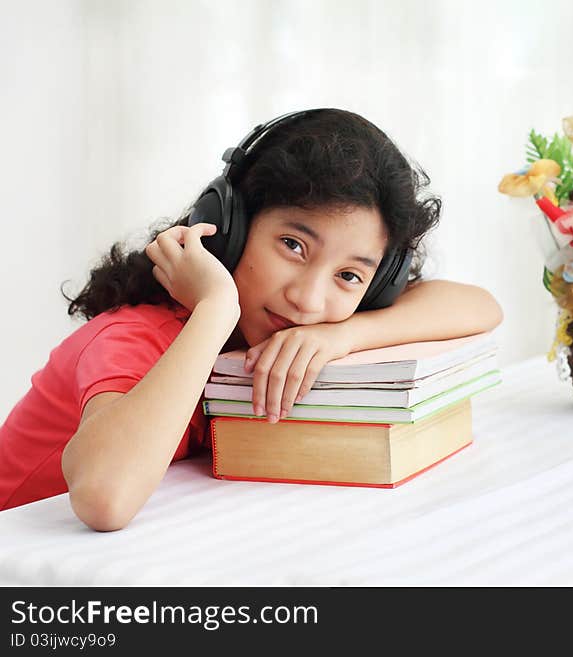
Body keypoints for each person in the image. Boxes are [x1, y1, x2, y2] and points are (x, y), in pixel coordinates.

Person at [0, 108, 503, 529]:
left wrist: (350, 333)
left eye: (349, 276)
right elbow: (103, 499)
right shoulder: (137, 336)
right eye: (293, 245)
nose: (308, 300)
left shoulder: (325, 319)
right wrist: (215, 308)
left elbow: (481, 306)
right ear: (228, 227)